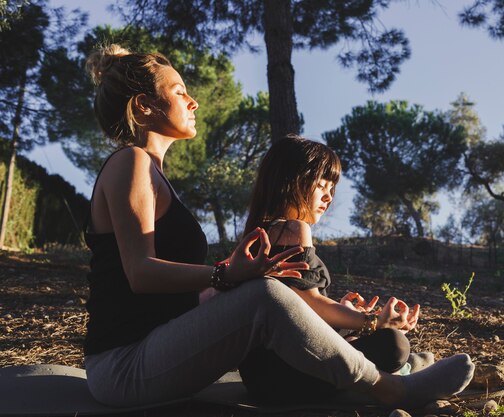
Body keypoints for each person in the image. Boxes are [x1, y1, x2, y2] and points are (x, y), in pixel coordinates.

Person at [82, 43, 475, 410]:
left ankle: (380, 370)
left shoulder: (152, 174)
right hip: (123, 367)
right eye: (180, 91)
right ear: (145, 106)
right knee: (263, 296)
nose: (193, 101)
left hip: (157, 349)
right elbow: (140, 274)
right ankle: (392, 389)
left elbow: (173, 296)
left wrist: (241, 282)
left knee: (262, 290)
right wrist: (224, 275)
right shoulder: (130, 162)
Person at [239, 135, 434, 403]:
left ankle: (401, 369)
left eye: (333, 188)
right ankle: (402, 373)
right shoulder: (293, 229)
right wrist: (372, 322)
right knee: (394, 344)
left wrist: (344, 315)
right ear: (294, 181)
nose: (329, 197)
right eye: (322, 185)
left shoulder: (258, 233)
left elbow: (299, 310)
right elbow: (311, 302)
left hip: (261, 376)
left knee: (386, 341)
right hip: (285, 373)